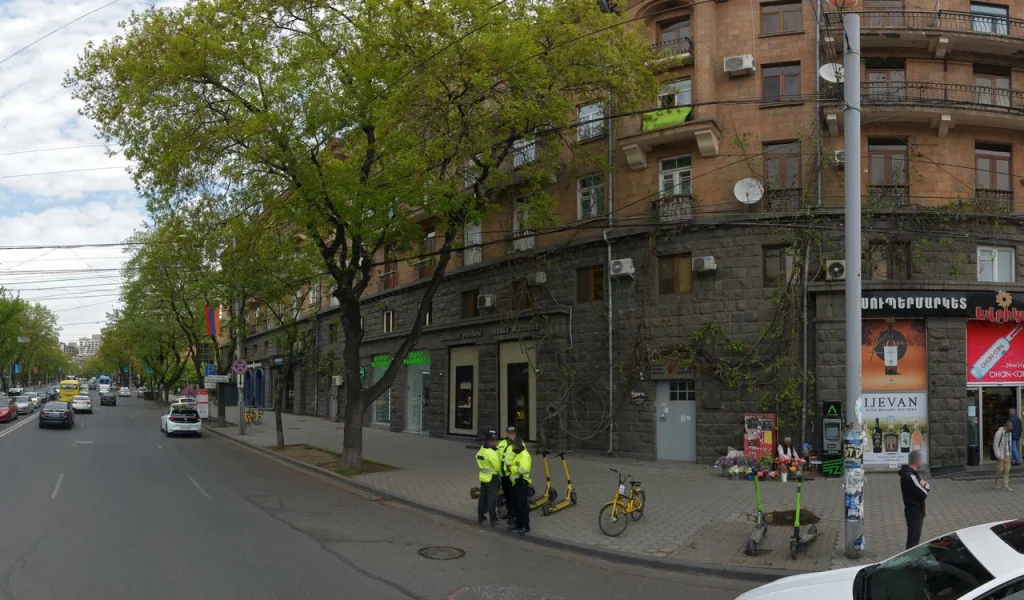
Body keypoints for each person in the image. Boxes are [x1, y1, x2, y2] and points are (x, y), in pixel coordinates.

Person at [899, 450, 929, 549]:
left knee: (913, 538)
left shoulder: (913, 474)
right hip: (915, 512)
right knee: (913, 540)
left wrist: (924, 485)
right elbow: (923, 493)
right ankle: (908, 557)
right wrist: (926, 485)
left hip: (914, 510)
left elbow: (921, 486)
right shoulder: (910, 476)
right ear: (917, 461)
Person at [507, 436, 532, 535]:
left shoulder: (525, 455)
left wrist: (511, 468)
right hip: (516, 482)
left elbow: (523, 469)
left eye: (513, 446)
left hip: (522, 483)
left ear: (518, 446)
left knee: (522, 506)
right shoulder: (517, 453)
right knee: (516, 505)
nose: (512, 447)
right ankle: (518, 523)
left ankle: (525, 526)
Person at [475, 430, 501, 526]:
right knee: (492, 499)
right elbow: (497, 467)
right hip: (492, 478)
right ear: (490, 441)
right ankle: (493, 519)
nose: (496, 443)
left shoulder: (482, 450)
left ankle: (481, 517)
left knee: (482, 498)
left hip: (483, 477)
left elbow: (477, 458)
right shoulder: (491, 453)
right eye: (495, 441)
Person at [496, 426, 520, 523]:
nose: (511, 435)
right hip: (503, 475)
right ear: (506, 433)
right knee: (507, 496)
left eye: (512, 433)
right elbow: (497, 457)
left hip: (513, 475)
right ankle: (510, 512)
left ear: (515, 433)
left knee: (513, 496)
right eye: (509, 433)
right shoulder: (501, 443)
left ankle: (513, 515)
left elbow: (521, 459)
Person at [994, 419, 1014, 492]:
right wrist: (997, 454)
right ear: (1007, 425)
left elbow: (1009, 444)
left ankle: (1006, 485)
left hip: (1007, 454)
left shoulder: (1009, 433)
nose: (1012, 428)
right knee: (1000, 469)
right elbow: (995, 444)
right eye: (1011, 426)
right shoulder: (999, 432)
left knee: (1007, 470)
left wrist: (1010, 454)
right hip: (1001, 455)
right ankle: (996, 482)